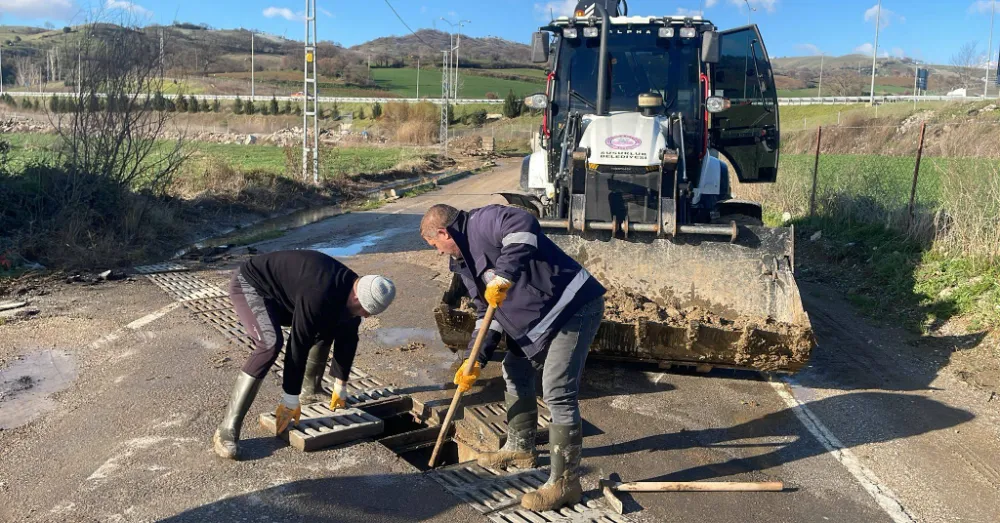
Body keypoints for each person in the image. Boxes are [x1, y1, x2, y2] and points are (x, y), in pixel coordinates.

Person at [420, 204, 605, 511]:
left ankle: (566, 483)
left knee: (557, 390)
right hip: (539, 318)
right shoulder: (464, 264)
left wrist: (504, 275)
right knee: (515, 370)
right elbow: (487, 313)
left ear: (443, 233)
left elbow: (523, 223)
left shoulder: (482, 222)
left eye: (434, 245)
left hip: (573, 306)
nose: (438, 252)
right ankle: (521, 448)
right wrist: (474, 361)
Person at [213, 250, 396, 460]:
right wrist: (290, 399)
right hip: (251, 286)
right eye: (365, 310)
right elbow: (298, 345)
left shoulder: (354, 289)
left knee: (332, 321)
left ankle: (311, 390)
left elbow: (348, 338)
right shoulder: (319, 292)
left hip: (285, 294)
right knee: (270, 344)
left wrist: (341, 386)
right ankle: (227, 428)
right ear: (357, 296)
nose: (366, 316)